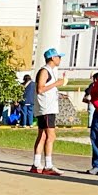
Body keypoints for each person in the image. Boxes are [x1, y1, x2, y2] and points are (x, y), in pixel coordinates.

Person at [30, 48, 67, 176]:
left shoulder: (50, 71)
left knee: (43, 136)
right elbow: (40, 89)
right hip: (46, 109)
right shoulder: (45, 71)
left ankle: (36, 163)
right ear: (52, 58)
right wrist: (57, 83)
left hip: (47, 107)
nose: (60, 59)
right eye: (58, 57)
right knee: (50, 136)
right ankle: (48, 165)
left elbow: (46, 89)